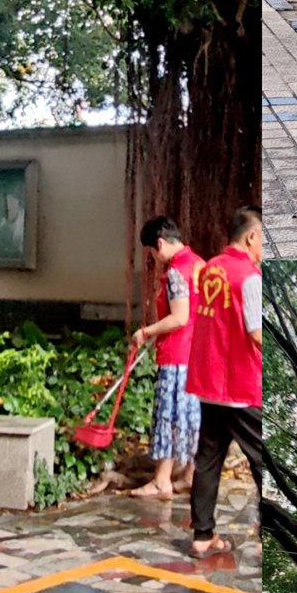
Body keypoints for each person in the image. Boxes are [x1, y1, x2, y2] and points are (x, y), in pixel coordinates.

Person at [187, 206, 264, 565]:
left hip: (208, 381)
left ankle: (202, 537)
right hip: (240, 384)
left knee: (207, 461)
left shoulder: (210, 268)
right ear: (252, 237)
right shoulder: (249, 277)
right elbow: (256, 331)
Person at [130, 216, 203, 505]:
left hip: (176, 356)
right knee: (190, 418)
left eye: (151, 252)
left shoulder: (176, 271)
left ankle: (161, 481)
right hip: (198, 356)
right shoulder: (200, 264)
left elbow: (179, 317)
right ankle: (190, 476)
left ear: (159, 244)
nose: (153, 258)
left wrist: (146, 331)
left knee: (168, 417)